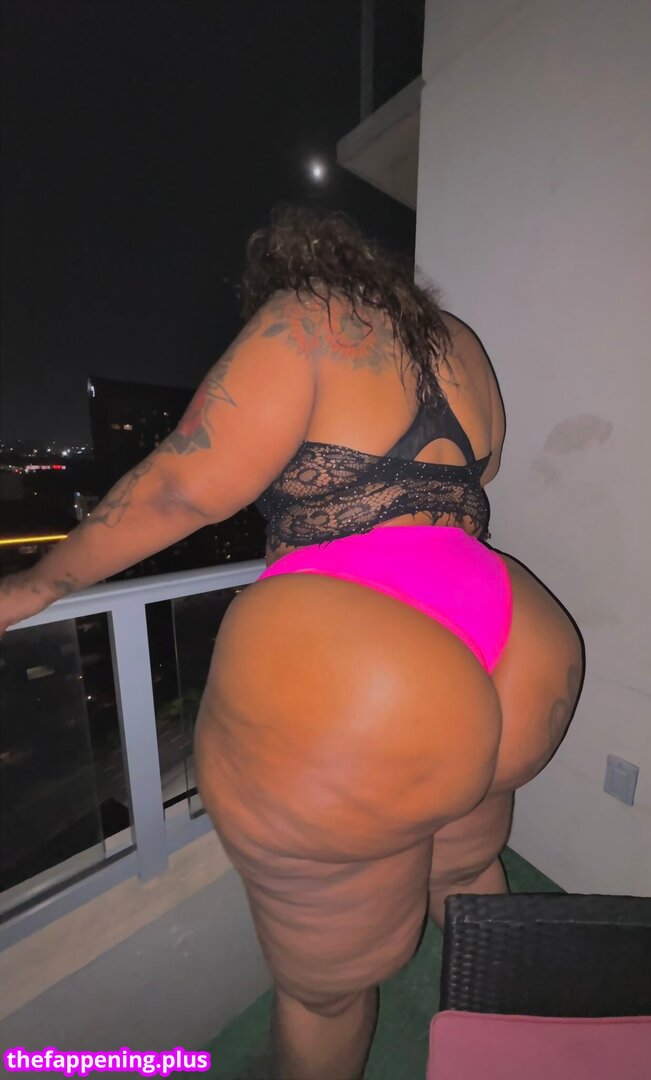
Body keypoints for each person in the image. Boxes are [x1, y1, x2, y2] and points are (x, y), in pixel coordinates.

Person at [0, 207, 583, 1080]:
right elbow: (482, 467)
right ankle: (514, 1052)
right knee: (466, 872)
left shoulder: (304, 320)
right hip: (514, 641)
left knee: (325, 994)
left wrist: (37, 583)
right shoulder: (455, 341)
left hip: (369, 673)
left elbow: (180, 491)